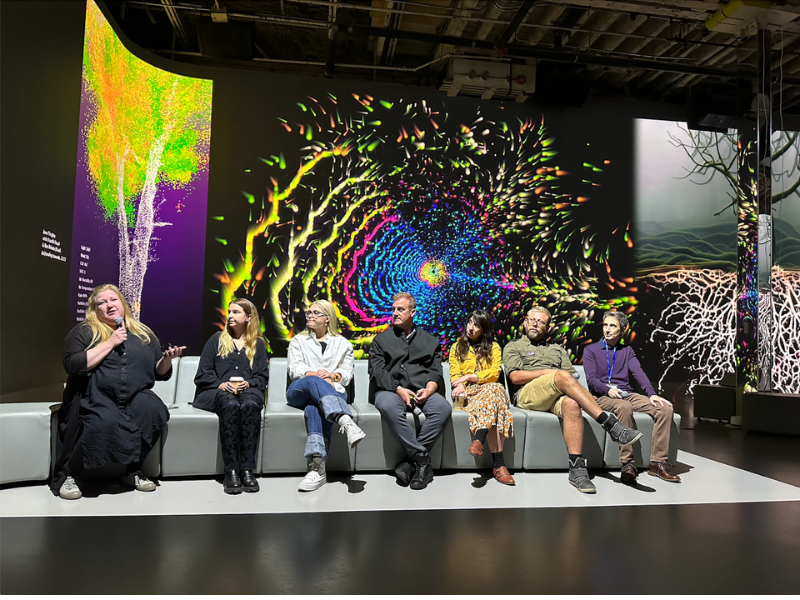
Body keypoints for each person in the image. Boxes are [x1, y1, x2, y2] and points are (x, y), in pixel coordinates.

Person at [51, 284, 184, 500]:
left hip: (132, 396)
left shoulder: (143, 333)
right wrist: (111, 342)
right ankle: (70, 475)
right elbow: (73, 364)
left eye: (113, 299)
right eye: (101, 302)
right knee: (103, 421)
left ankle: (132, 471)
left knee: (152, 409)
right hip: (94, 396)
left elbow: (158, 373)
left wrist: (167, 359)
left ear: (122, 304)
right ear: (95, 310)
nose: (109, 305)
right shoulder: (85, 331)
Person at [503, 306, 643, 494]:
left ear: (548, 326)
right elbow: (515, 378)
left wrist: (559, 377)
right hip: (527, 394)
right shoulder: (514, 346)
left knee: (572, 404)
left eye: (541, 322)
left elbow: (572, 376)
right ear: (525, 322)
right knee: (560, 376)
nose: (535, 324)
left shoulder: (557, 349)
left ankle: (576, 468)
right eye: (532, 320)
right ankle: (611, 425)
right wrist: (549, 372)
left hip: (556, 393)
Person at [583, 310, 680, 483]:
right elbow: (591, 380)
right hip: (602, 395)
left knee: (664, 408)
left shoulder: (627, 351)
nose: (608, 329)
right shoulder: (591, 350)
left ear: (622, 330)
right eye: (605, 325)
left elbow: (638, 373)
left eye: (613, 326)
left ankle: (657, 463)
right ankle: (627, 463)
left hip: (625, 393)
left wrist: (652, 394)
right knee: (624, 407)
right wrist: (607, 390)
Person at [369, 292, 450, 490]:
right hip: (390, 390)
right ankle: (422, 461)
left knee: (443, 408)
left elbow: (435, 371)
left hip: (422, 391)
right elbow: (377, 372)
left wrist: (430, 389)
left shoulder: (430, 341)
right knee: (389, 406)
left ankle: (409, 462)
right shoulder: (380, 340)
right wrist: (399, 390)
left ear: (413, 312)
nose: (395, 313)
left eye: (401, 309)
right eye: (394, 309)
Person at [286, 300, 364, 492]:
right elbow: (295, 369)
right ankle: (345, 420)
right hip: (300, 390)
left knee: (315, 408)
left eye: (316, 313)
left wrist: (332, 376)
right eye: (309, 313)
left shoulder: (342, 344)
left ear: (327, 319)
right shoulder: (299, 341)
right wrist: (317, 376)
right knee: (314, 383)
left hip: (332, 390)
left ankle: (318, 468)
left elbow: (346, 373)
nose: (310, 316)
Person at [194, 299, 269, 495]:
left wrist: (249, 383)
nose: (230, 316)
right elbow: (202, 374)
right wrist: (221, 384)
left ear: (248, 317)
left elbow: (262, 376)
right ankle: (231, 471)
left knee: (251, 403)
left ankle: (247, 469)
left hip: (248, 392)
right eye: (229, 312)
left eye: (236, 312)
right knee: (230, 404)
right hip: (217, 392)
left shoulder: (258, 344)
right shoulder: (216, 339)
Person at [449, 310, 515, 485]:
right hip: (469, 394)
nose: (471, 328)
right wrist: (461, 384)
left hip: (489, 390)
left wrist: (470, 377)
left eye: (476, 325)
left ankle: (479, 439)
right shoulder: (457, 347)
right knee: (497, 402)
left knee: (493, 390)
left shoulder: (494, 348)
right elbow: (455, 375)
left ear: (484, 329)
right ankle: (499, 465)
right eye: (470, 322)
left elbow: (494, 373)